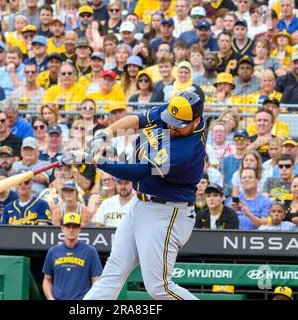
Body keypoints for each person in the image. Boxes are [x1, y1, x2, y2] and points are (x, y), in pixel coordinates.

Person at [73, 90, 206, 300]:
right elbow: (138, 121)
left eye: (178, 125)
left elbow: (137, 171)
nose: (171, 126)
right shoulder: (179, 111)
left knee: (159, 287)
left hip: (167, 212)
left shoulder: (186, 151)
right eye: (171, 120)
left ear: (196, 120)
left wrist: (94, 160)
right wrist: (104, 134)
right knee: (112, 272)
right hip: (141, 203)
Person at [42, 212, 103, 300]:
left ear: (79, 229)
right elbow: (47, 279)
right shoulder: (53, 251)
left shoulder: (90, 251)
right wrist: (50, 298)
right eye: (68, 226)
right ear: (62, 228)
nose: (71, 230)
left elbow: (96, 280)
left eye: (75, 227)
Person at [220, 129, 250, 198]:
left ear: (248, 140)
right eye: (236, 138)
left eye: (242, 138)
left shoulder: (251, 159)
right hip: (228, 196)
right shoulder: (225, 160)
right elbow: (222, 181)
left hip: (247, 195)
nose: (239, 141)